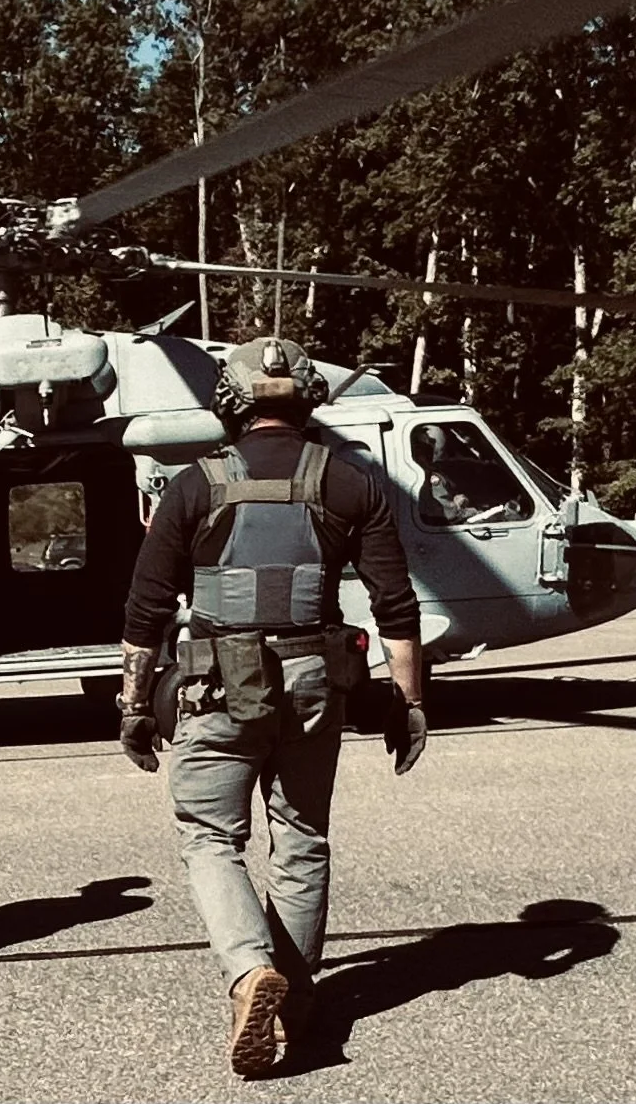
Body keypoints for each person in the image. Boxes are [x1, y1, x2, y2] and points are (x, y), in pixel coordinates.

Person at [117, 337, 426, 1078]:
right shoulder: (351, 484)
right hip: (314, 681)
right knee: (300, 837)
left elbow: (145, 610)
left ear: (231, 400)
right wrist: (410, 703)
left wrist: (131, 702)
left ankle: (248, 969)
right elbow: (395, 608)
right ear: (307, 398)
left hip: (216, 685)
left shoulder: (192, 486)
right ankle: (293, 999)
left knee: (207, 838)